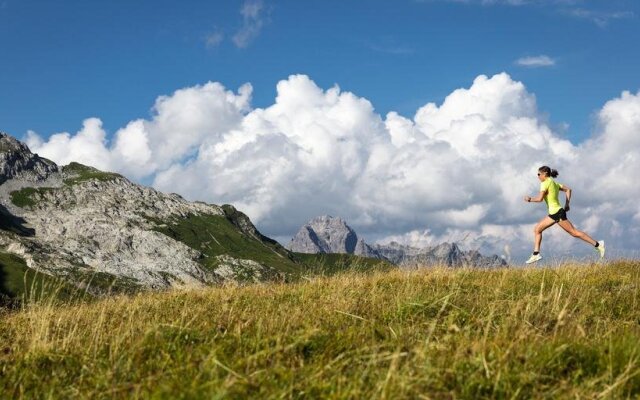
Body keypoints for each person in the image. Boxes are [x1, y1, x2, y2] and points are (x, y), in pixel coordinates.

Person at [523, 166, 605, 264]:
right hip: (555, 213)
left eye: (538, 174)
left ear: (544, 173)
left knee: (574, 232)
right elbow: (568, 190)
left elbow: (540, 199)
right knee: (537, 230)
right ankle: (536, 254)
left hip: (556, 213)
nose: (538, 176)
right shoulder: (554, 183)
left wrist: (530, 199)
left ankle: (598, 245)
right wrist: (567, 204)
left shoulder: (544, 183)